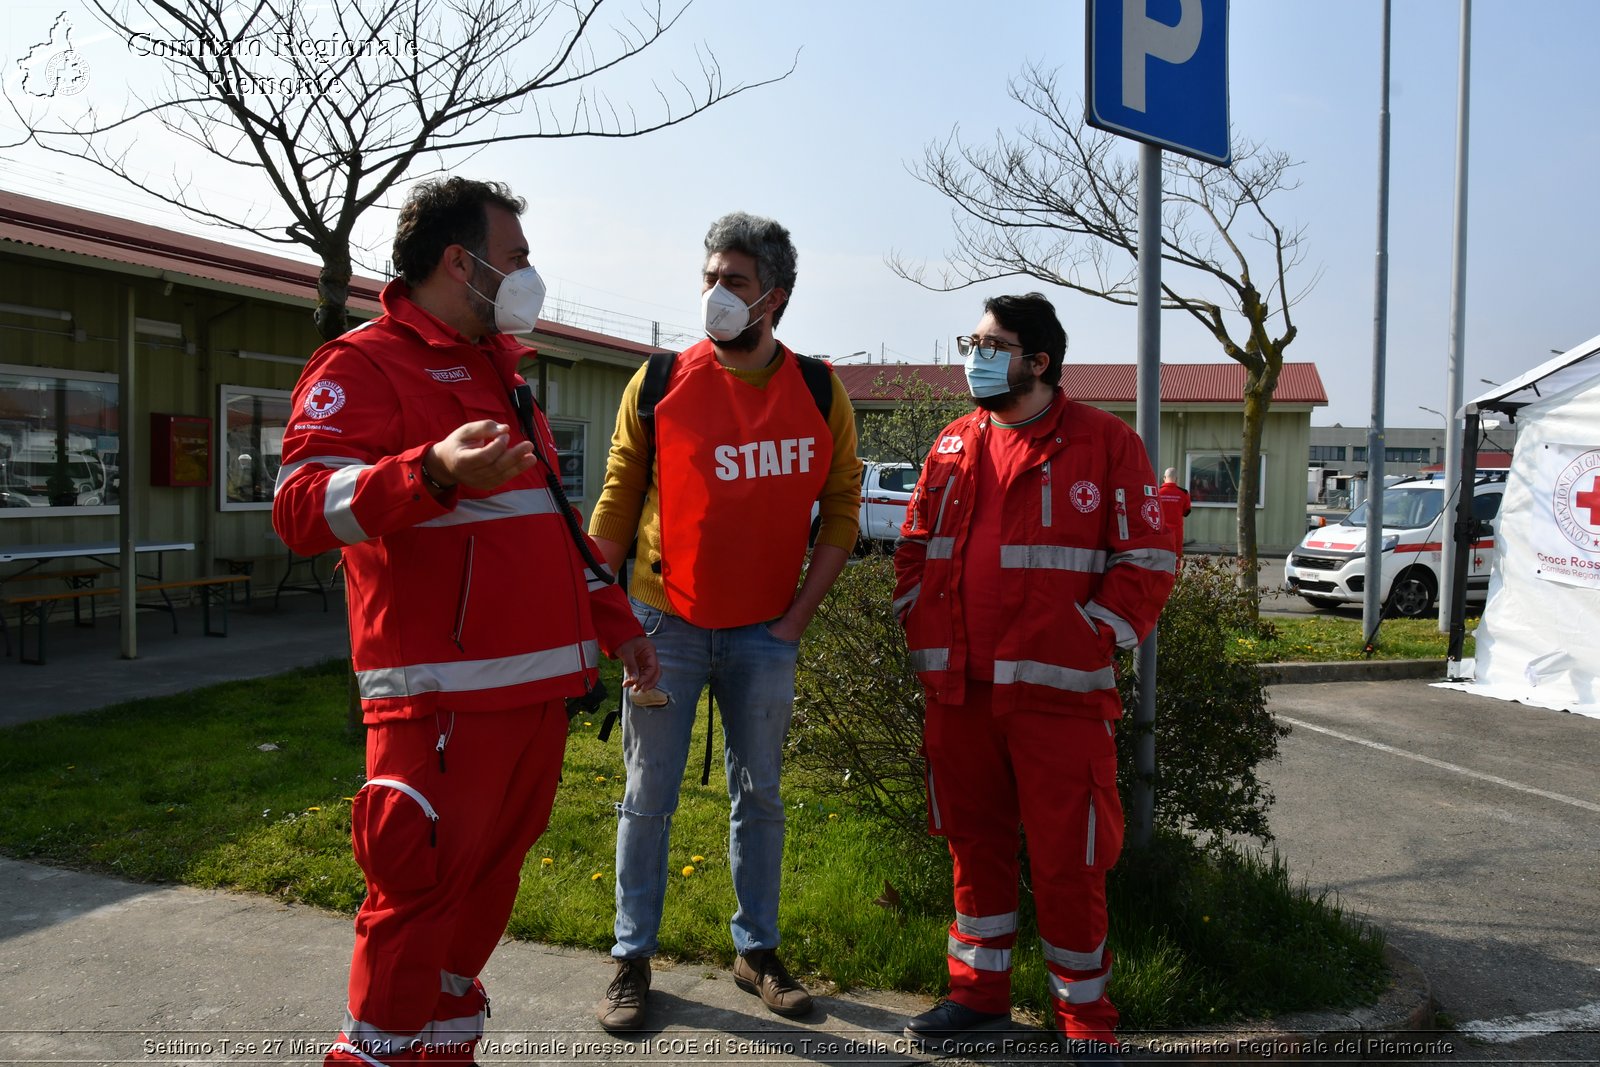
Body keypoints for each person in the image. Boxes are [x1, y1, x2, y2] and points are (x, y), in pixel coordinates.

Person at [273, 177, 659, 1067]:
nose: (529, 275)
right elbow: (298, 509)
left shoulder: (501, 371)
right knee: (412, 906)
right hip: (439, 709)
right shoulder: (362, 365)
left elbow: (547, 529)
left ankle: (444, 1053)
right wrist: (429, 472)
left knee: (477, 908)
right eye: (516, 257)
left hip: (532, 705)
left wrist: (617, 621)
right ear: (461, 261)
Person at [586, 211, 862, 1032]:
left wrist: (798, 619)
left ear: (774, 296)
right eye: (708, 277)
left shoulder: (818, 389)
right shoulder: (662, 378)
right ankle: (631, 958)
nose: (714, 293)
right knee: (647, 797)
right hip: (663, 623)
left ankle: (757, 951)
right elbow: (617, 493)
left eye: (733, 281)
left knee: (762, 795)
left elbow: (844, 506)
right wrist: (597, 608)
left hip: (764, 636)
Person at [893, 293, 1175, 1060]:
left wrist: (1093, 639)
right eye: (972, 340)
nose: (973, 355)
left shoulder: (1106, 443)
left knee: (1069, 858)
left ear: (1038, 360)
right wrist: (917, 615)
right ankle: (977, 996)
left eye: (989, 344)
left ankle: (1084, 1019)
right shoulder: (953, 442)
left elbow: (1147, 559)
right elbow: (914, 545)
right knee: (972, 845)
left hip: (1060, 698)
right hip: (958, 692)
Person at [1157, 467, 1193, 554]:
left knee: (1161, 554)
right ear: (1176, 479)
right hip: (1177, 531)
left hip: (1161, 531)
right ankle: (1176, 568)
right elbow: (1186, 512)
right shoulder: (1184, 493)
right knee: (1176, 555)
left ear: (1164, 478)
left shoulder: (1157, 492)